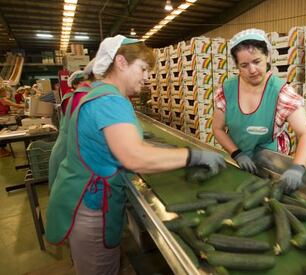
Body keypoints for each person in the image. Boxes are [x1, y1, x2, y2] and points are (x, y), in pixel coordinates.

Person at [45, 35, 226, 275]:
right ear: (120, 62)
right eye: (142, 68)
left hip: (81, 200)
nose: (146, 77)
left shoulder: (98, 93)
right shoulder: (110, 101)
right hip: (90, 208)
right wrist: (194, 156)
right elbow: (134, 157)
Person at [212, 28, 306, 194]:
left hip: (273, 162)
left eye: (257, 61)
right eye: (244, 65)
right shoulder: (226, 91)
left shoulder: (280, 92)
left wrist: (298, 168)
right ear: (236, 65)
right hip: (239, 161)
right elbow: (217, 128)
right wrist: (236, 154)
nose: (252, 70)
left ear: (267, 57)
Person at [48, 59, 96, 188]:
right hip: (66, 148)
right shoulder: (71, 98)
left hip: (73, 146)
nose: (90, 86)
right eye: (86, 83)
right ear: (75, 84)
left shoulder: (78, 96)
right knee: (64, 185)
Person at [0, 86, 25, 157]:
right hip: (2, 119)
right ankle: (2, 150)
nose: (6, 92)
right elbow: (16, 105)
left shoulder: (3, 99)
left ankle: (3, 149)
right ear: (1, 92)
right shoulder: (3, 100)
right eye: (4, 91)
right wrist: (26, 106)